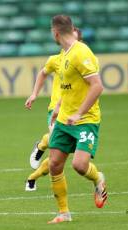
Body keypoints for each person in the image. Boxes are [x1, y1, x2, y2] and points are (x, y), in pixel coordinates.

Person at [47, 15, 107, 224]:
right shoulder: (64, 54)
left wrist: (79, 113)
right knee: (54, 164)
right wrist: (58, 107)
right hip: (64, 119)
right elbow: (68, 86)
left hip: (85, 119)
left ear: (55, 33)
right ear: (71, 29)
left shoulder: (81, 52)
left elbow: (97, 85)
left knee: (80, 166)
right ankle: (64, 213)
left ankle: (98, 178)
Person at [25, 28, 82, 192]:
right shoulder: (55, 60)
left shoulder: (83, 61)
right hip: (56, 111)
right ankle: (42, 145)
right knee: (55, 142)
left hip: (77, 112)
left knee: (60, 154)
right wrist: (34, 94)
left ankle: (32, 177)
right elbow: (43, 74)